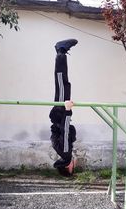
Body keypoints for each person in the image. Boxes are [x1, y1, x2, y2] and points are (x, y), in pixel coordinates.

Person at [49, 39, 78, 176]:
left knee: (61, 81)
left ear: (68, 167)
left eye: (73, 169)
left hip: (61, 113)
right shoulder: (62, 153)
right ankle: (61, 52)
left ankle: (61, 50)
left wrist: (67, 111)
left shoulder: (66, 154)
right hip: (59, 115)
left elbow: (65, 131)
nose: (74, 166)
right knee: (64, 83)